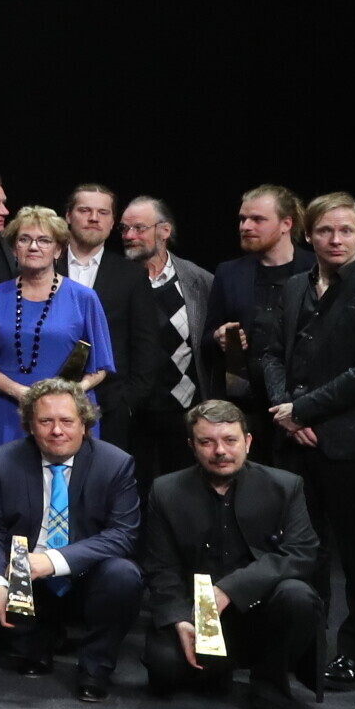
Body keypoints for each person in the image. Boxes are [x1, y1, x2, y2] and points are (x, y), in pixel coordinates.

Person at [261, 192, 355, 689]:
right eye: (325, 230)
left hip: (353, 446)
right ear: (308, 234)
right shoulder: (292, 287)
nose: (336, 239)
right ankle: (308, 641)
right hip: (293, 441)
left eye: (346, 230)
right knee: (305, 549)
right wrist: (285, 411)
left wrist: (303, 410)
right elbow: (271, 354)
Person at [139, 400, 322, 709]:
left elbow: (301, 552)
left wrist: (228, 590)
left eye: (230, 440)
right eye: (207, 442)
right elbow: (160, 567)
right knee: (163, 669)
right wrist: (178, 619)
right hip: (197, 615)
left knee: (297, 595)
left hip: (262, 613)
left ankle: (269, 685)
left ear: (248, 442)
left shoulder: (285, 485)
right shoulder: (165, 491)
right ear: (192, 446)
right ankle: (217, 667)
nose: (220, 451)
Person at [0, 380, 143, 702]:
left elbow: (123, 534)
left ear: (84, 425)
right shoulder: (3, 460)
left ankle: (94, 668)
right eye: (45, 421)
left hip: (85, 574)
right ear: (29, 426)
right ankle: (35, 646)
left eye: (67, 421)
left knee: (123, 576)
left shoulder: (115, 464)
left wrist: (52, 561)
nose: (56, 431)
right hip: (25, 576)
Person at [0, 207, 117, 452]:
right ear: (14, 248)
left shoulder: (84, 298)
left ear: (58, 250)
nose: (33, 247)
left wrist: (67, 394)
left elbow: (101, 367)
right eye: (24, 239)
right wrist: (20, 392)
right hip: (10, 410)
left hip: (67, 414)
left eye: (44, 240)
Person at [118, 196, 214, 491]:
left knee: (184, 490)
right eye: (124, 228)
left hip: (183, 410)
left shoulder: (198, 280)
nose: (129, 236)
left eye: (138, 228)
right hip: (132, 411)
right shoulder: (116, 279)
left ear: (164, 231)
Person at [61, 186, 159, 443]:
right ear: (68, 216)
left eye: (103, 212)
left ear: (113, 221)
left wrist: (128, 403)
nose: (94, 218)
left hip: (111, 407)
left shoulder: (132, 275)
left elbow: (146, 345)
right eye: (85, 210)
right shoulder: (44, 266)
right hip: (49, 398)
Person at [209, 183, 311, 430]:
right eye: (242, 219)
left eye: (257, 219)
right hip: (243, 406)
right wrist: (218, 336)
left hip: (300, 405)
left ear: (286, 224)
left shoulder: (314, 269)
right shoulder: (229, 273)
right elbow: (206, 336)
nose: (245, 226)